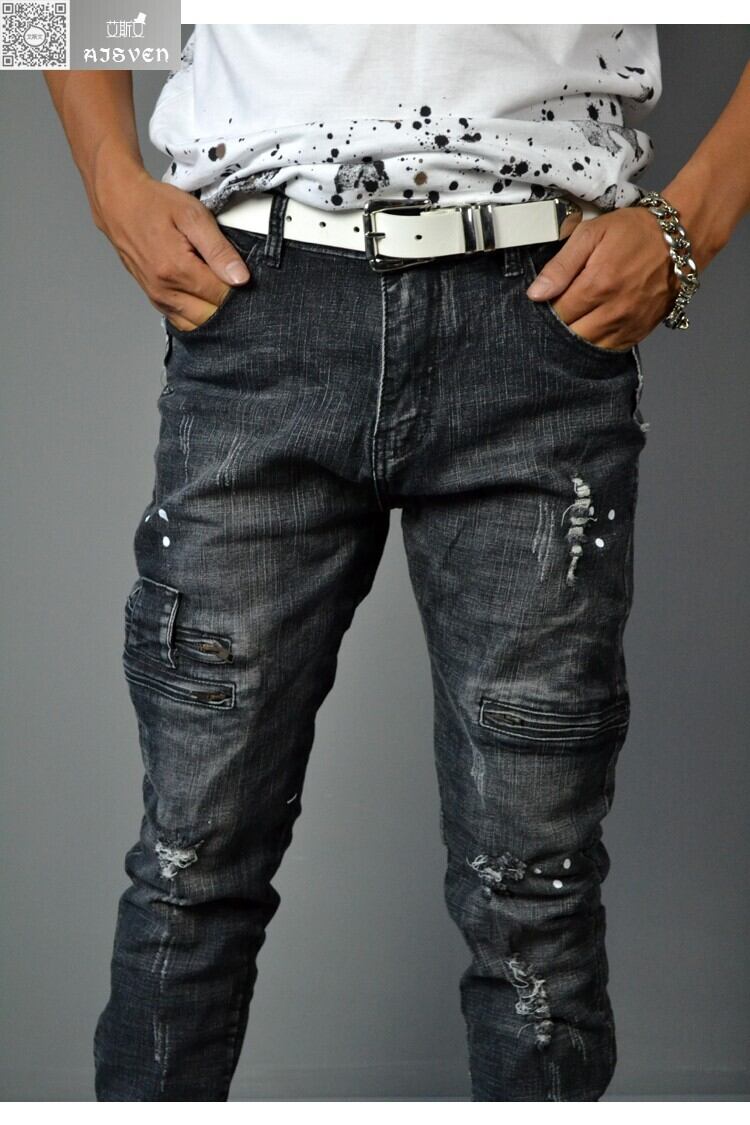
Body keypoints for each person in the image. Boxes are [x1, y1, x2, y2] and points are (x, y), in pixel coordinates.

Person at [44, 25, 749, 1102]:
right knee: (190, 870)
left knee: (536, 900)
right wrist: (110, 183)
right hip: (259, 301)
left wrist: (693, 219)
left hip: (543, 315)